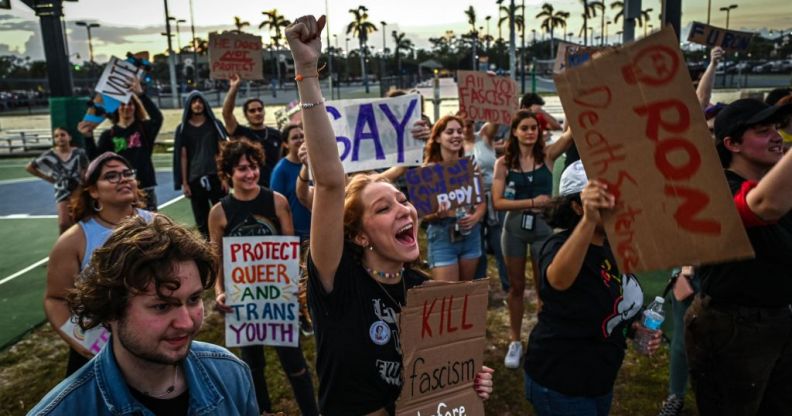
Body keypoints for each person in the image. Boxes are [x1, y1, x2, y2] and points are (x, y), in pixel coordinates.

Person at [286, 14, 494, 416]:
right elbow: (329, 183)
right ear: (360, 235)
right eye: (383, 207)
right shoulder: (337, 280)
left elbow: (435, 377)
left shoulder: (422, 287)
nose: (405, 209)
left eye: (402, 200)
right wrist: (307, 70)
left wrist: (467, 383)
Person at [29, 215, 259, 416]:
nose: (186, 323)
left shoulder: (232, 374)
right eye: (161, 306)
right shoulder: (64, 410)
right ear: (111, 310)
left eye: (193, 299)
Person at [524, 160, 657, 416]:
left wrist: (634, 327)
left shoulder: (612, 247)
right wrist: (589, 220)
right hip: (560, 382)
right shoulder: (558, 246)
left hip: (598, 381)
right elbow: (558, 281)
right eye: (605, 202)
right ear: (577, 206)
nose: (618, 207)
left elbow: (607, 302)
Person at [685, 98, 792, 416]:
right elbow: (763, 206)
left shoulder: (779, 185)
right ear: (731, 143)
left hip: (779, 320)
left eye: (776, 127)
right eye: (763, 130)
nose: (776, 136)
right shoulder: (717, 191)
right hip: (734, 329)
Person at [208, 139, 319, 416]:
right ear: (228, 173)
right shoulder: (219, 212)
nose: (250, 174)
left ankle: (311, 412)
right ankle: (263, 412)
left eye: (254, 167)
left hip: (278, 297)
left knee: (295, 364)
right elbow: (217, 259)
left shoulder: (277, 202)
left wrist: (295, 285)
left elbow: (289, 250)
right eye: (242, 169)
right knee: (252, 365)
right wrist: (219, 291)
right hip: (242, 299)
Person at [44, 152, 154, 377]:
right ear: (93, 191)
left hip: (151, 339)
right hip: (100, 351)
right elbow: (56, 300)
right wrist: (87, 344)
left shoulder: (157, 224)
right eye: (111, 176)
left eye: (127, 174)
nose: (123, 179)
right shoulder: (74, 240)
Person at [492, 110, 573, 369]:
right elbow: (497, 202)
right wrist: (532, 202)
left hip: (542, 230)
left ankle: (541, 339)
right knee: (516, 287)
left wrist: (569, 99)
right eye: (524, 128)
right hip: (514, 229)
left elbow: (571, 134)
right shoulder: (503, 163)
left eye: (533, 128)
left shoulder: (547, 156)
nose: (530, 132)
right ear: (514, 131)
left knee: (544, 288)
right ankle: (515, 340)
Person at [421, 115, 486, 282]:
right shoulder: (428, 171)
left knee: (465, 291)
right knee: (446, 294)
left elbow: (481, 203)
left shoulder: (471, 166)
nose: (456, 135)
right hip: (441, 235)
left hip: (470, 233)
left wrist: (476, 217)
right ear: (437, 138)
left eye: (459, 131)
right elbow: (423, 213)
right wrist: (437, 215)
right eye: (449, 132)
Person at [94, 78, 163, 211]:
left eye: (130, 104)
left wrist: (141, 95)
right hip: (120, 187)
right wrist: (87, 137)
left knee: (151, 226)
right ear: (117, 109)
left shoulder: (144, 129)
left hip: (144, 185)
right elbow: (96, 159)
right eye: (122, 104)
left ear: (135, 107)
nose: (126, 107)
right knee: (126, 227)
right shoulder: (108, 135)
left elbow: (157, 118)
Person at [173, 91, 229, 237]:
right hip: (195, 179)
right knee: (201, 220)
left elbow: (222, 150)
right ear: (189, 105)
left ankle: (225, 249)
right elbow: (183, 156)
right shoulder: (183, 129)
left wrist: (224, 177)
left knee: (224, 214)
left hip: (216, 176)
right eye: (194, 102)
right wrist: (184, 182)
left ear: (205, 104)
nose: (197, 105)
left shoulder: (215, 125)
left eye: (200, 101)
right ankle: (207, 251)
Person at [464, 116, 509, 289]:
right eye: (463, 125)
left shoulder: (483, 136)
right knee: (477, 246)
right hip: (470, 201)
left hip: (493, 196)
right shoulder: (455, 145)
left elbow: (496, 117)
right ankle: (480, 286)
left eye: (470, 124)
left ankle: (508, 285)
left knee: (500, 241)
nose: (467, 129)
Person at [222, 73, 282, 187]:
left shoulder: (276, 134)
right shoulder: (241, 133)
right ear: (246, 115)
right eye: (252, 111)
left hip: (275, 187)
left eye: (260, 109)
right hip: (250, 188)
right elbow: (226, 113)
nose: (257, 113)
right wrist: (234, 88)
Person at [26, 127, 89, 234]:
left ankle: (80, 245)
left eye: (63, 135)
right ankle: (63, 246)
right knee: (63, 223)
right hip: (61, 191)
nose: (60, 138)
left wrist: (84, 187)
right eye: (56, 136)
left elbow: (85, 170)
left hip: (78, 190)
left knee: (78, 221)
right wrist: (47, 178)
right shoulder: (50, 154)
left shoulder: (79, 153)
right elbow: (30, 167)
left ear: (69, 137)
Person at [270, 124, 312, 240]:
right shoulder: (280, 170)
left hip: (318, 229)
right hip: (297, 235)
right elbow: (276, 206)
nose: (300, 140)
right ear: (285, 144)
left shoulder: (315, 164)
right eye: (295, 138)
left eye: (302, 136)